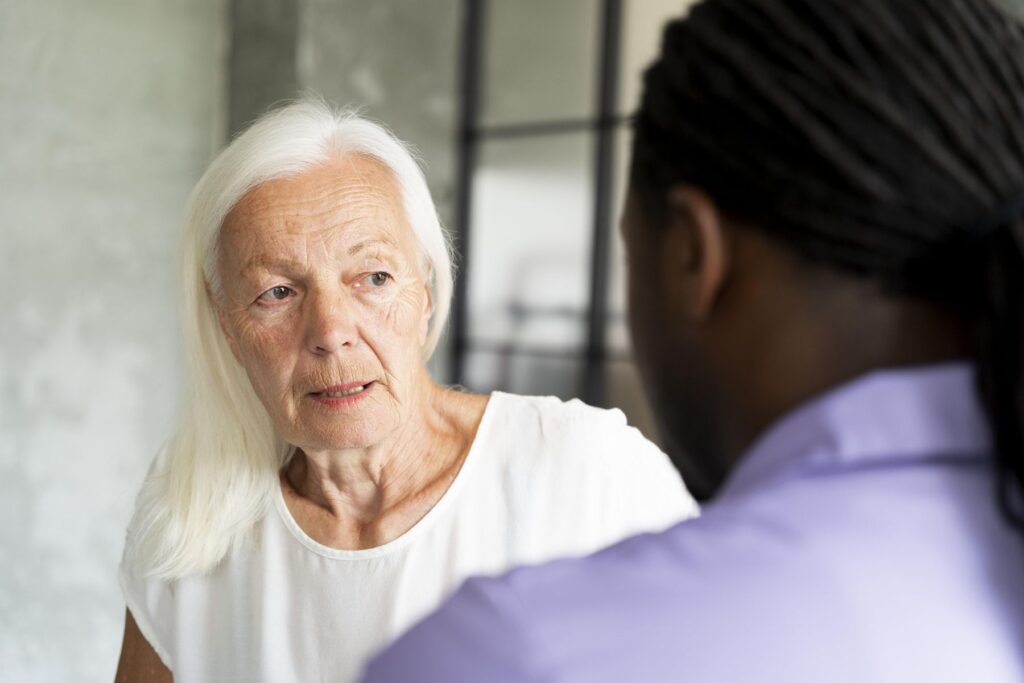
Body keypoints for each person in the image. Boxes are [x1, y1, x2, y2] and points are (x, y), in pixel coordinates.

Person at [362, 0, 1024, 680]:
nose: (334, 331)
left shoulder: (510, 655)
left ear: (690, 254)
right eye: (277, 291)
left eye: (628, 253)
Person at [112, 101, 696, 682]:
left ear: (428, 294)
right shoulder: (190, 504)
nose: (332, 334)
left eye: (374, 278)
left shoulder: (585, 472)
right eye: (278, 292)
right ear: (228, 327)